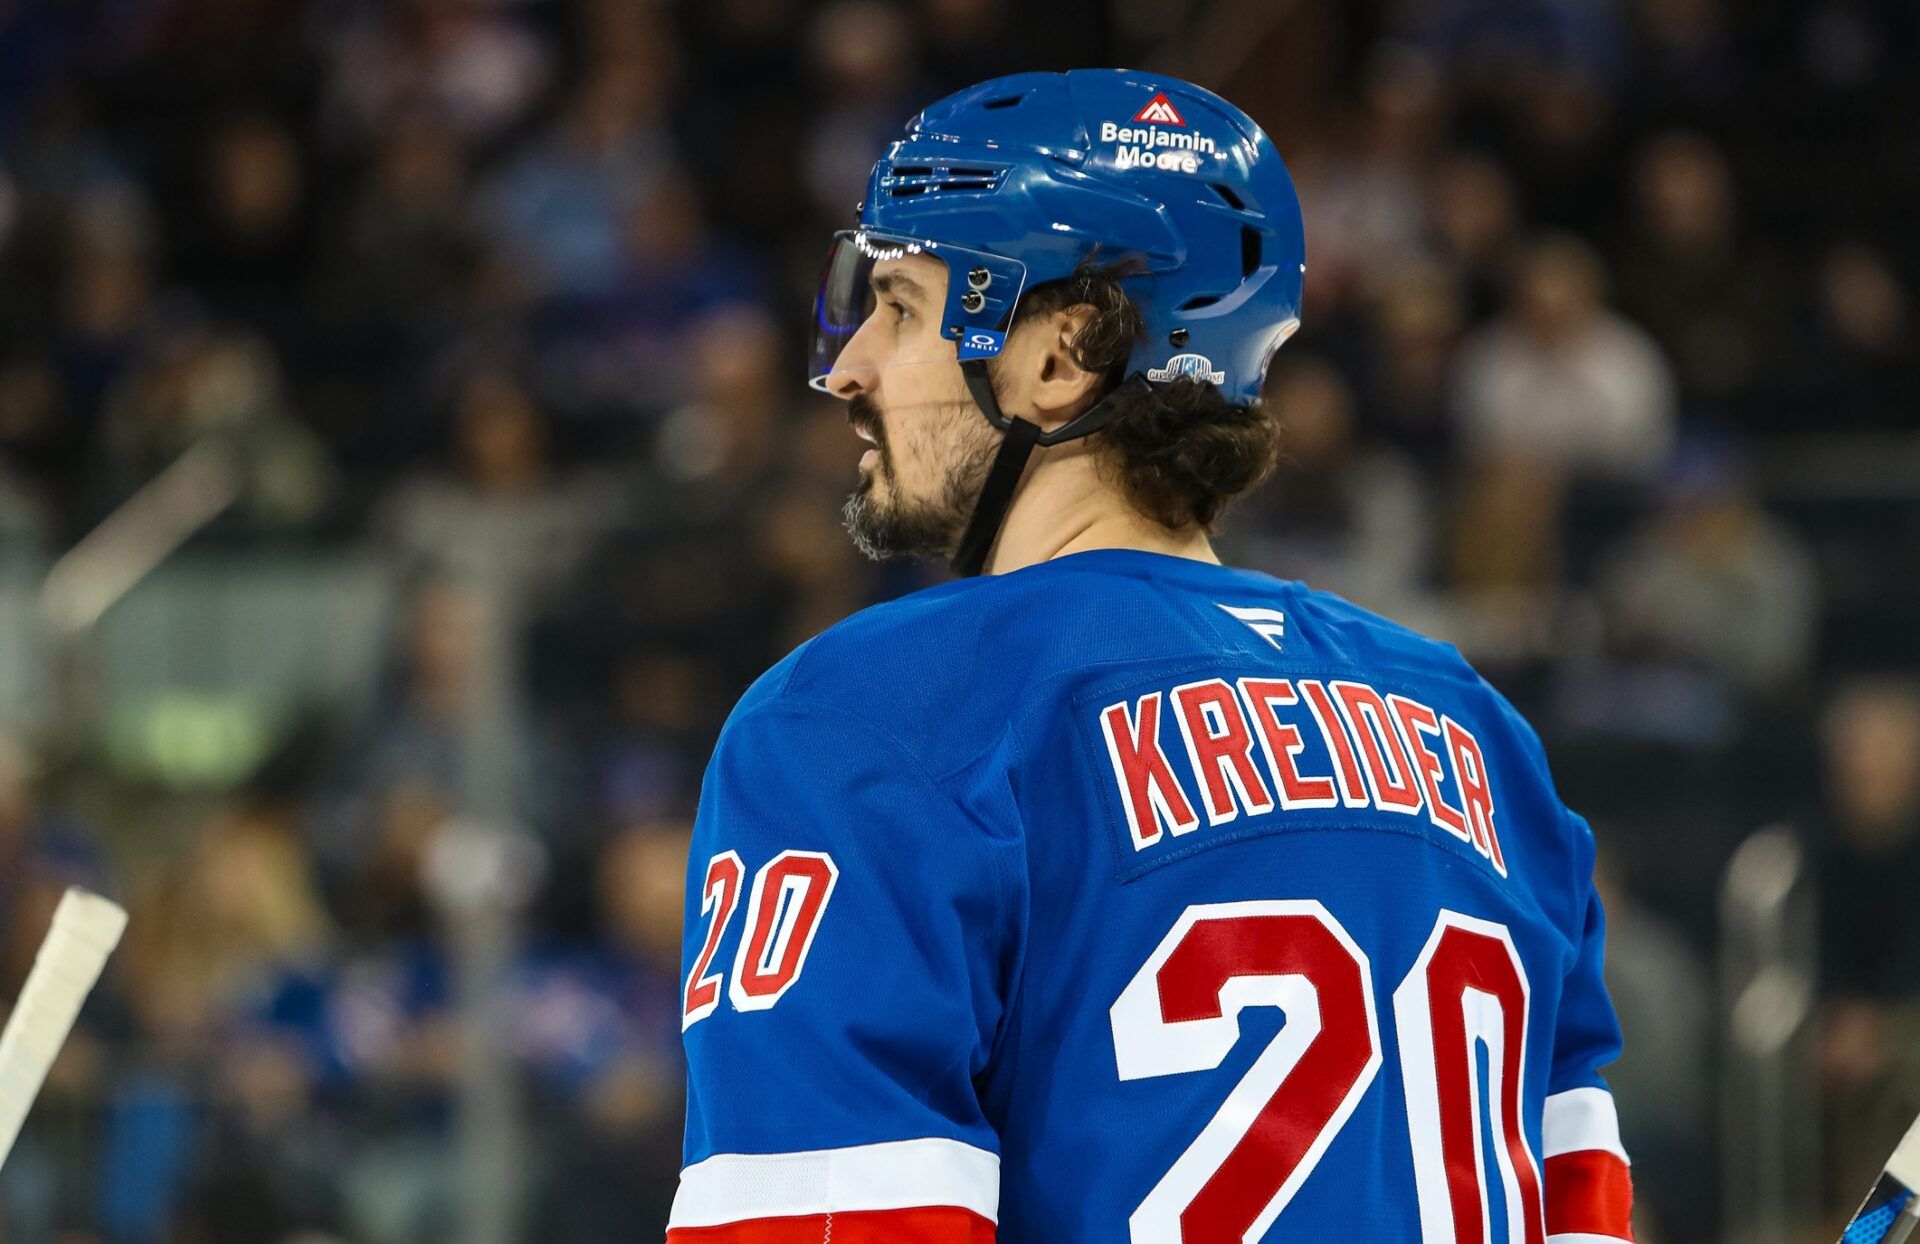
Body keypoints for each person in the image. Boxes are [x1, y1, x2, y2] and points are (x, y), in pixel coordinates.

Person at [670, 70, 1632, 1243]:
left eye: (904, 308)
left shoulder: (864, 718)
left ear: (1065, 354)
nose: (849, 366)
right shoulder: (1476, 730)